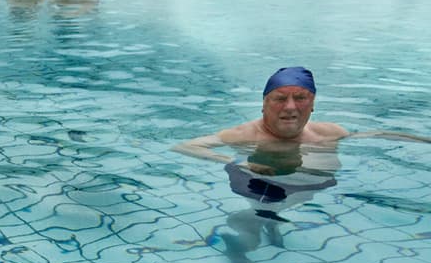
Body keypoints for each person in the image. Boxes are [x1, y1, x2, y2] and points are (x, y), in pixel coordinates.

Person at [172, 66, 431, 166]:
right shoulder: (244, 136)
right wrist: (235, 162)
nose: (290, 107)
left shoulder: (329, 133)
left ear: (313, 104)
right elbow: (185, 146)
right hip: (260, 191)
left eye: (300, 98)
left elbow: (377, 135)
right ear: (264, 104)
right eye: (280, 99)